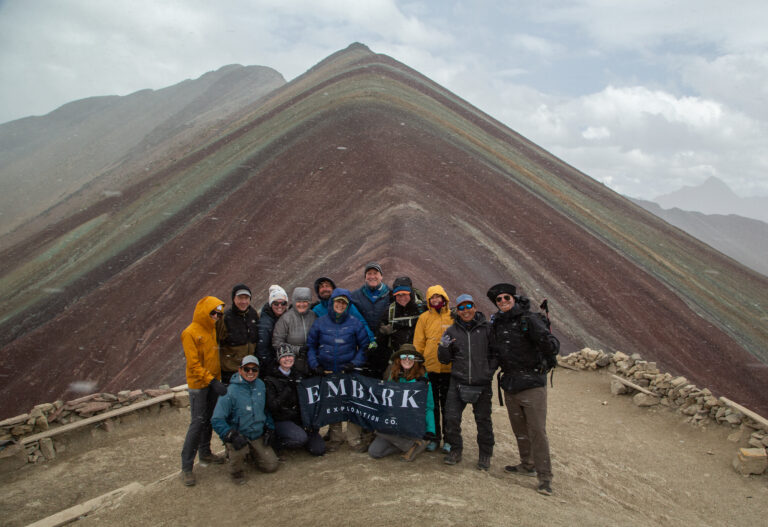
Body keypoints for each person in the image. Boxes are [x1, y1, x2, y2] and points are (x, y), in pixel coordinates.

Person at [487, 283, 560, 496]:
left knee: (537, 430)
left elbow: (551, 344)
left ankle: (545, 477)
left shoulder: (529, 320)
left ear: (514, 298)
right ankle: (527, 464)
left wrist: (544, 347)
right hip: (510, 383)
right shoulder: (498, 324)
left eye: (506, 298)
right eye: (498, 299)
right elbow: (495, 353)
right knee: (519, 428)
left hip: (532, 383)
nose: (502, 301)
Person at [438, 294, 497, 470]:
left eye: (468, 306)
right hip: (458, 381)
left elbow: (495, 353)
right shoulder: (451, 331)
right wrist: (443, 347)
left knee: (484, 421)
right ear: (457, 311)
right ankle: (456, 450)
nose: (466, 311)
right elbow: (444, 360)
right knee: (451, 418)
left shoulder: (487, 329)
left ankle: (485, 455)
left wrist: (489, 372)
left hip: (482, 382)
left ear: (475, 307)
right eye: (461, 308)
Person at [307, 288, 370, 451]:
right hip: (327, 371)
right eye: (338, 302)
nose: (340, 305)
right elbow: (311, 346)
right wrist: (315, 365)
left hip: (348, 371)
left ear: (348, 305)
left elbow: (364, 347)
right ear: (332, 303)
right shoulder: (320, 322)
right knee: (332, 404)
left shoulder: (355, 323)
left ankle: (354, 440)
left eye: (344, 303)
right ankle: (335, 439)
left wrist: (354, 363)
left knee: (351, 405)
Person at [180, 295, 228, 487]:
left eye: (219, 314)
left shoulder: (212, 329)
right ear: (204, 312)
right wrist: (211, 380)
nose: (216, 316)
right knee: (197, 422)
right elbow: (193, 365)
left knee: (209, 418)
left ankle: (205, 453)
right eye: (213, 313)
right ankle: (186, 467)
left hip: (213, 381)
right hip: (199, 385)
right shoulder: (190, 333)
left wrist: (216, 380)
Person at [211, 355, 279, 484]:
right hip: (239, 434)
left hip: (256, 433)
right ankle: (235, 469)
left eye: (254, 370)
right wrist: (230, 434)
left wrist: (270, 427)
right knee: (239, 451)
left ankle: (252, 454)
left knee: (271, 466)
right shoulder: (230, 391)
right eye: (247, 369)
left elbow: (265, 409)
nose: (250, 372)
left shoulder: (261, 386)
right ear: (240, 370)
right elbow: (217, 419)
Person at [367, 344, 435, 461]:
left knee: (380, 432)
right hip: (395, 421)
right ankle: (409, 445)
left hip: (412, 422)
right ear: (399, 359)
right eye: (404, 356)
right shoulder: (393, 375)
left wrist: (430, 429)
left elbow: (429, 406)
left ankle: (412, 441)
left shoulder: (423, 379)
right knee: (374, 452)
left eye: (410, 357)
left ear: (415, 359)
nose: (407, 360)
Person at [264, 344, 325, 456]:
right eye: (283, 357)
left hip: (299, 417)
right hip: (282, 419)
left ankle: (301, 436)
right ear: (278, 359)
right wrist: (287, 389)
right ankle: (278, 442)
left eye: (289, 356)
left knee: (318, 449)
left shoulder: (298, 374)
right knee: (299, 439)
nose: (287, 359)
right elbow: (272, 405)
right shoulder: (270, 379)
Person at [413, 285, 453, 453]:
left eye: (439, 296)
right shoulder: (424, 318)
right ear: (428, 300)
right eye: (432, 297)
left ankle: (449, 439)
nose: (436, 300)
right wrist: (418, 366)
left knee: (449, 407)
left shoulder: (453, 317)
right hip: (430, 368)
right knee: (432, 406)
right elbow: (419, 343)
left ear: (444, 298)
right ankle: (434, 437)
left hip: (450, 369)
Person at [375, 276, 425, 379]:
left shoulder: (422, 308)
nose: (401, 298)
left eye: (404, 294)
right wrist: (383, 332)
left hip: (417, 359)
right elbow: (379, 335)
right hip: (397, 358)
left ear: (410, 293)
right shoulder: (390, 311)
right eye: (398, 295)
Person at [217, 284, 260, 384]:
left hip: (250, 370)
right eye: (240, 298)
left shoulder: (254, 315)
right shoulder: (225, 318)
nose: (244, 302)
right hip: (231, 371)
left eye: (246, 298)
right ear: (233, 299)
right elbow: (215, 341)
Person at [312, 276, 374, 343]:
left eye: (327, 286)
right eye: (321, 287)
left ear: (333, 289)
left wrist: (371, 340)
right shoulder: (316, 310)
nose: (324, 289)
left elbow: (361, 324)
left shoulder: (346, 305)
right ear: (318, 291)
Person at [272, 287, 316, 375]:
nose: (301, 304)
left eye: (305, 301)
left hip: (312, 362)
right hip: (293, 365)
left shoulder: (313, 316)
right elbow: (277, 343)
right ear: (294, 302)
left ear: (309, 302)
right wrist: (298, 350)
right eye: (298, 301)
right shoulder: (286, 318)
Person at [257, 284, 288, 373]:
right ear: (271, 304)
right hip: (271, 366)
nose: (279, 306)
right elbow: (262, 349)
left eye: (283, 303)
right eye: (276, 303)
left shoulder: (283, 318)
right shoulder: (265, 323)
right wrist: (273, 366)